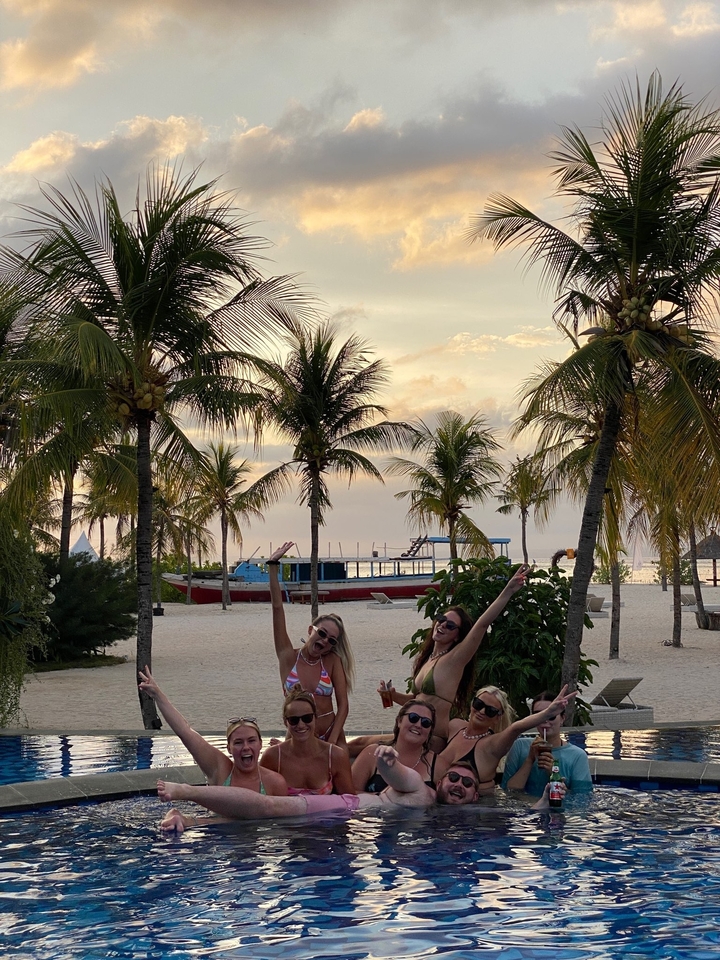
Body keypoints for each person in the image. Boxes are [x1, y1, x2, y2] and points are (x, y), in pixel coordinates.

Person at [157, 745, 484, 831]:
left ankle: (189, 821)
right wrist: (387, 763)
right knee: (268, 807)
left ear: (476, 795)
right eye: (453, 778)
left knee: (259, 822)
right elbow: (398, 775)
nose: (458, 785)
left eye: (466, 783)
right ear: (439, 781)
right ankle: (187, 791)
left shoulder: (464, 817)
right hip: (344, 809)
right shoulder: (424, 793)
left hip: (337, 827)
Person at [378, 565, 529, 748]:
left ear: (457, 636)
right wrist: (393, 696)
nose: (442, 625)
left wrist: (509, 589)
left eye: (450, 626)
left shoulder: (455, 660)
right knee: (358, 745)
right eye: (442, 620)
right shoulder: (429, 659)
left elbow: (482, 624)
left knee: (366, 748)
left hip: (433, 738)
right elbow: (419, 700)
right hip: (414, 732)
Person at [137, 666, 287, 794]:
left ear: (260, 744)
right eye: (238, 742)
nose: (246, 747)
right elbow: (185, 731)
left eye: (251, 740)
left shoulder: (274, 782)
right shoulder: (220, 770)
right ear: (229, 748)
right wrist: (157, 695)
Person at [267, 541, 354, 745]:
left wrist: (331, 742)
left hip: (331, 735)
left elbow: (343, 706)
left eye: (331, 640)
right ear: (310, 630)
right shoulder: (289, 657)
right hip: (298, 738)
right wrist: (272, 566)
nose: (324, 641)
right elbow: (277, 608)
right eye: (321, 633)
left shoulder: (332, 661)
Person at [435, 685, 578, 792]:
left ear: (498, 718)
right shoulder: (454, 726)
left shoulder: (492, 745)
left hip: (470, 810)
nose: (482, 711)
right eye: (478, 704)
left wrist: (548, 713)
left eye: (490, 711)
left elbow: (516, 728)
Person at [259, 689, 355, 796]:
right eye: (294, 720)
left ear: (315, 718)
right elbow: (261, 797)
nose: (301, 725)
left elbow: (349, 800)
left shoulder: (335, 756)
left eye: (307, 718)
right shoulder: (273, 757)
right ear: (286, 722)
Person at [502, 690, 593, 797]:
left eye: (551, 716)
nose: (545, 720)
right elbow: (507, 791)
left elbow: (582, 799)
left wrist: (553, 774)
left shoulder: (577, 756)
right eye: (540, 715)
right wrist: (529, 760)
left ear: (562, 719)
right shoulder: (520, 746)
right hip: (525, 806)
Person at [352, 699, 437, 793]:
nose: (418, 725)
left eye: (426, 722)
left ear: (430, 730)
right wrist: (383, 798)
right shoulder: (372, 754)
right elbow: (349, 793)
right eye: (413, 717)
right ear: (399, 721)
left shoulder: (437, 765)